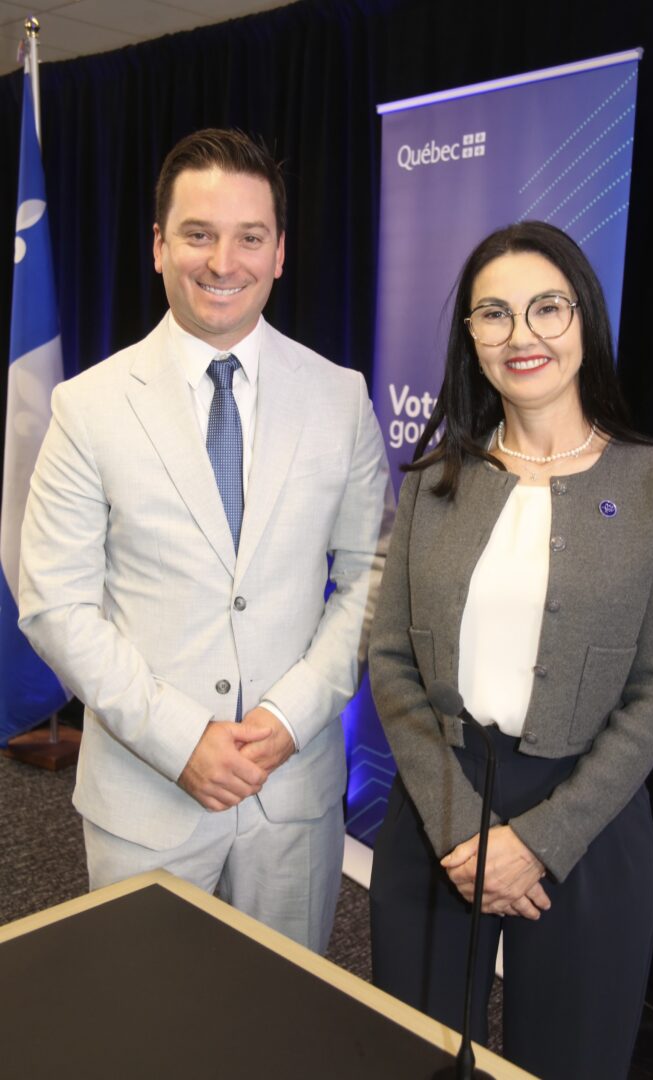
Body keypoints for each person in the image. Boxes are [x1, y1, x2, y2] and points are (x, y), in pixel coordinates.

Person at [19, 128, 391, 954]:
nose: (225, 261)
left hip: (290, 793)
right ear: (157, 246)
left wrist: (291, 718)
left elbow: (373, 574)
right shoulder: (89, 408)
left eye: (249, 237)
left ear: (280, 252)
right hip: (146, 796)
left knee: (283, 1031)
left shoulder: (340, 397)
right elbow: (56, 604)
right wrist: (180, 741)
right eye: (198, 234)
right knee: (145, 1035)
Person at [368, 221, 653, 1079]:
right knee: (415, 1057)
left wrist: (542, 841)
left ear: (584, 319)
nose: (523, 336)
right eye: (494, 315)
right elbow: (393, 663)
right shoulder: (434, 478)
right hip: (439, 805)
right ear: (471, 339)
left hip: (589, 820)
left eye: (546, 308)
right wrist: (457, 830)